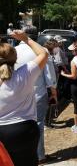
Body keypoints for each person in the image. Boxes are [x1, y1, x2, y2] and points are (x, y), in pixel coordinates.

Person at [0, 30, 48, 166]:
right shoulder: (24, 74)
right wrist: (26, 39)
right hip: (25, 130)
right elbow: (43, 53)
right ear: (15, 58)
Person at [15, 35, 58, 164]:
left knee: (20, 124)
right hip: (38, 94)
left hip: (18, 95)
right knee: (38, 125)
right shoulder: (41, 52)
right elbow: (50, 79)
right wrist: (54, 95)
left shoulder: (13, 50)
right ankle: (40, 156)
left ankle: (23, 155)